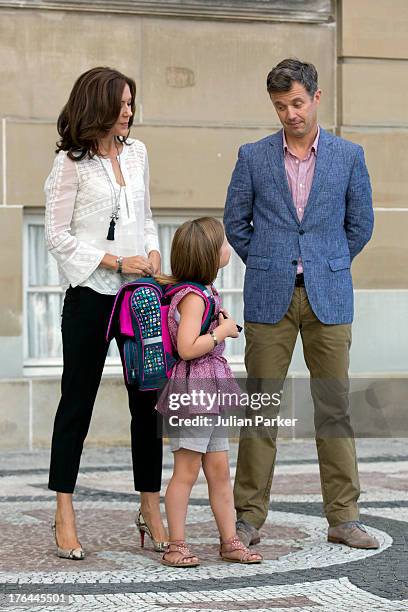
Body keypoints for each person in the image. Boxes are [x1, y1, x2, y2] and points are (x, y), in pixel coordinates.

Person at [224, 59, 379, 549]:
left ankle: (344, 517)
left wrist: (325, 262)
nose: (289, 114)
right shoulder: (252, 156)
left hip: (328, 298)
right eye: (279, 106)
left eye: (296, 103)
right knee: (261, 409)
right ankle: (247, 518)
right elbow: (235, 221)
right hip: (269, 298)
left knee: (334, 409)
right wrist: (271, 260)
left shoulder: (348, 156)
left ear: (316, 97)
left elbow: (361, 223)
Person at [45, 67, 167, 560]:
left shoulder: (137, 154)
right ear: (97, 105)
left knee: (148, 401)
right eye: (121, 103)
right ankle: (64, 510)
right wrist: (113, 260)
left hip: (140, 295)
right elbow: (57, 236)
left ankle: (150, 507)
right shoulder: (68, 165)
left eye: (132, 104)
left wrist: (153, 254)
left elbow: (147, 217)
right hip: (91, 294)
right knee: (77, 402)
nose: (129, 112)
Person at [155, 217, 262, 566]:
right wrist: (222, 332)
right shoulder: (194, 299)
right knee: (185, 471)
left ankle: (230, 541)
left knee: (219, 471)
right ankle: (176, 545)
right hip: (194, 391)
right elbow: (186, 347)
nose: (227, 248)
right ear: (207, 255)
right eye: (222, 244)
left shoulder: (205, 294)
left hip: (210, 392)